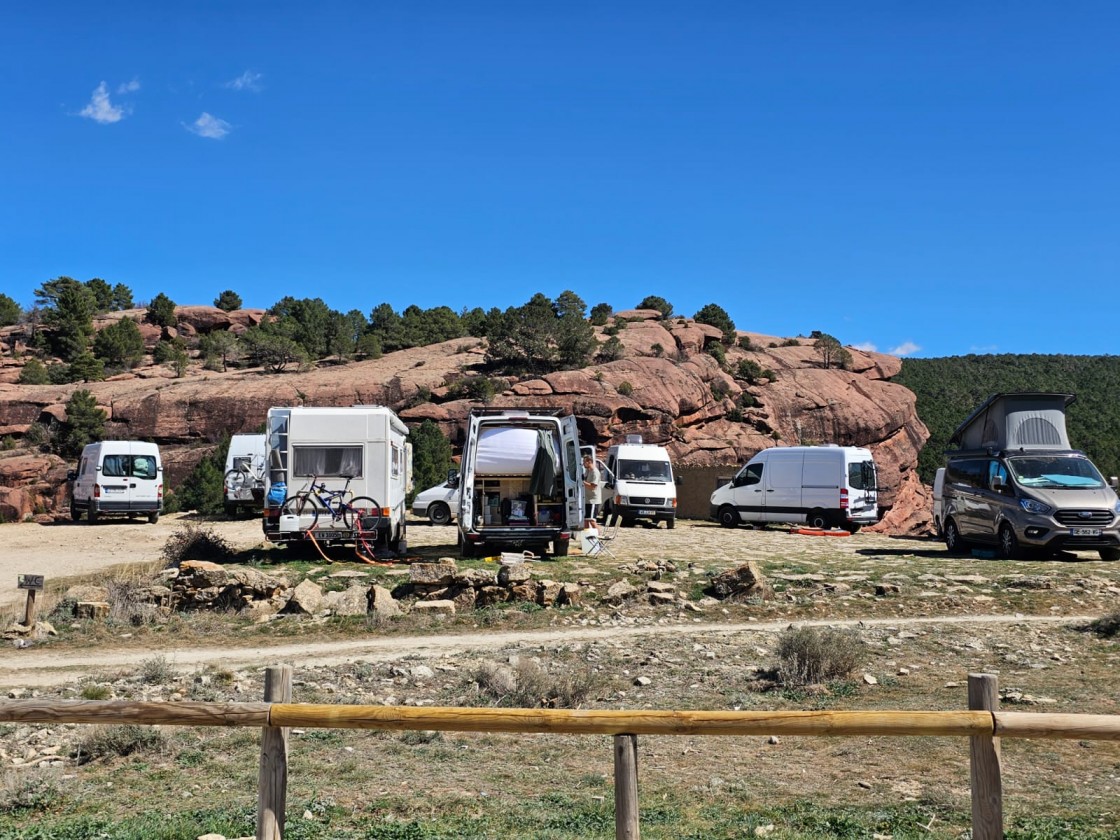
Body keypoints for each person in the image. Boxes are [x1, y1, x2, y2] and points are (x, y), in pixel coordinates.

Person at [582, 454, 602, 527]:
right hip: (587, 499)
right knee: (586, 520)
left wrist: (582, 482)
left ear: (589, 461)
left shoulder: (595, 472)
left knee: (591, 520)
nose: (583, 463)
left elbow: (593, 487)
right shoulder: (588, 471)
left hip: (593, 500)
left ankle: (597, 535)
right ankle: (587, 536)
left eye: (584, 462)